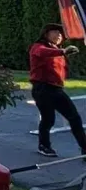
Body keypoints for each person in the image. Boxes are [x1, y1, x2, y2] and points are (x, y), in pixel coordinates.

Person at [29, 23, 86, 159]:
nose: (59, 35)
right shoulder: (38, 47)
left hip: (56, 89)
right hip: (42, 88)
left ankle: (84, 148)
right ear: (46, 34)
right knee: (48, 119)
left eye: (61, 33)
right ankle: (44, 146)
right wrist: (63, 52)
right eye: (55, 32)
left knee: (74, 118)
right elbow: (42, 52)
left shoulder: (57, 50)